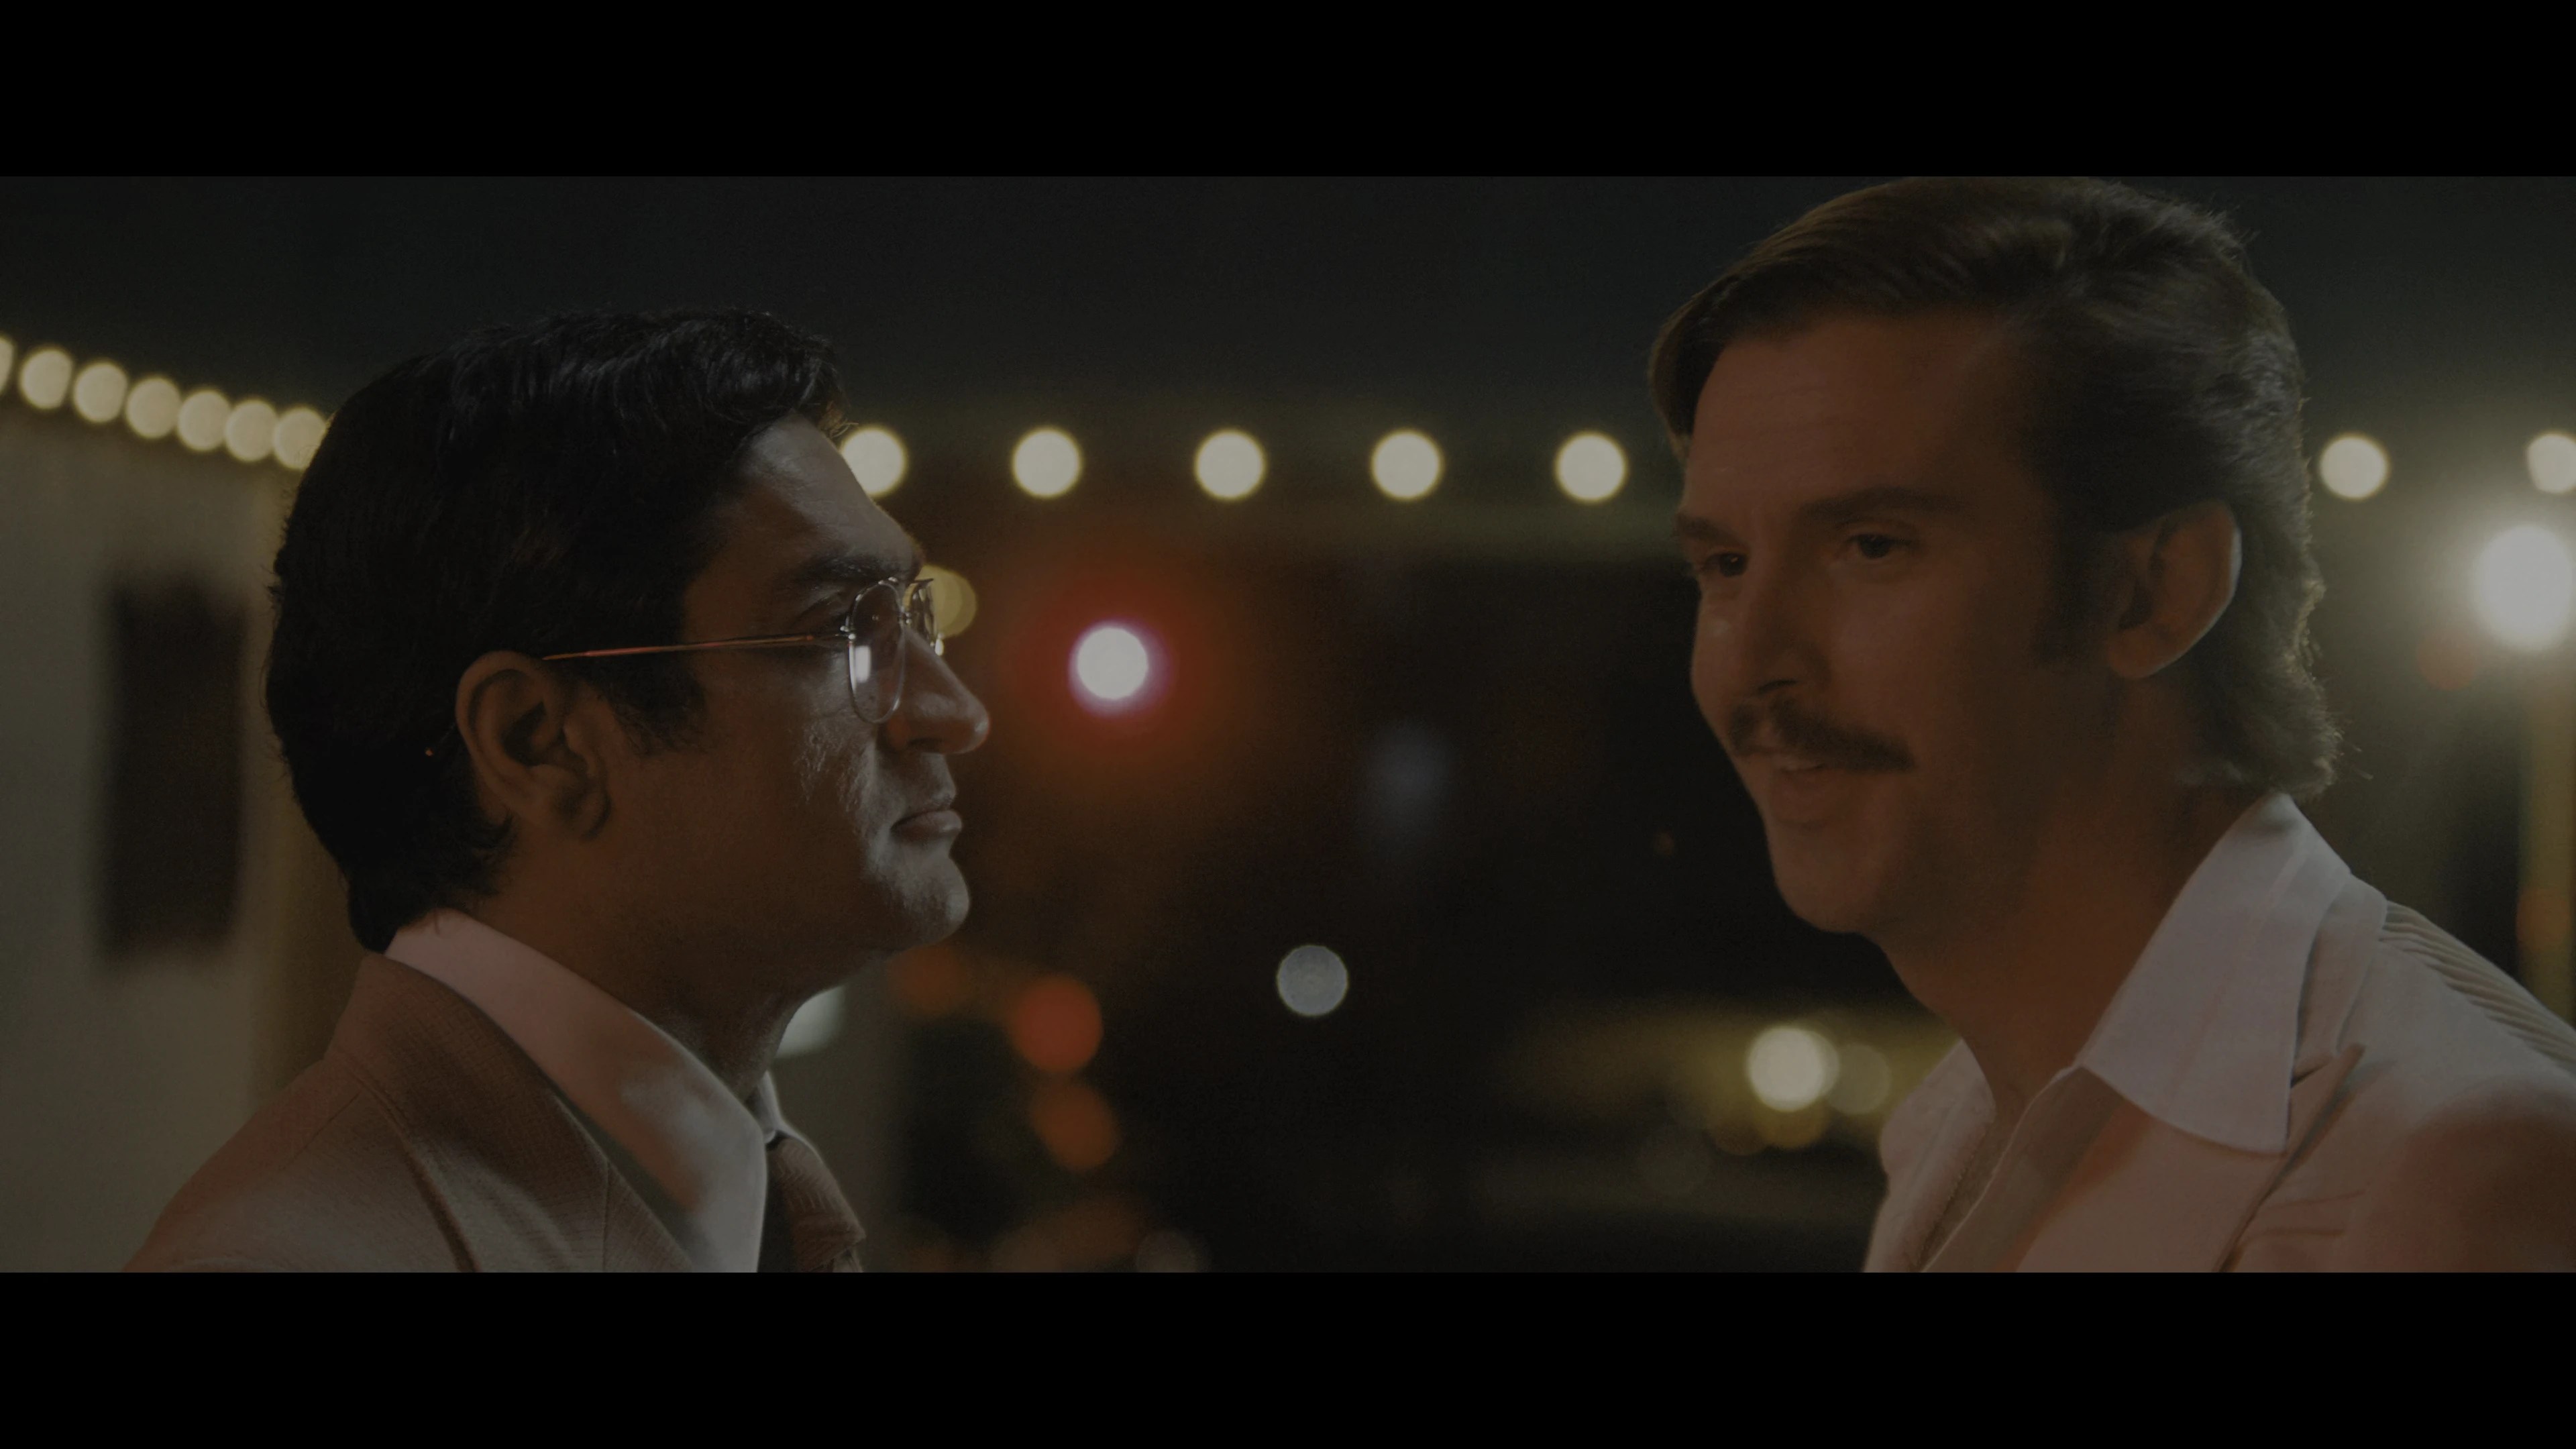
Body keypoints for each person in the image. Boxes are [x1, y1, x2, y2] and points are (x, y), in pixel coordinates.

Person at [1653, 177, 2576, 1270]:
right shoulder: (1955, 1128)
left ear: (2156, 593)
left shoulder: (2451, 1166)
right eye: (1725, 565)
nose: (1753, 661)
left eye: (1872, 546)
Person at [130, 311, 988, 1271]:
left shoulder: (740, 1201)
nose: (957, 713)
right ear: (538, 743)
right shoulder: (289, 1256)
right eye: (840, 630)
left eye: (912, 618)